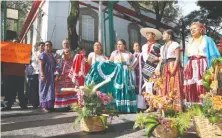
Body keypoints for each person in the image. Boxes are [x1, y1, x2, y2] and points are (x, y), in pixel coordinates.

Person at [86, 39, 137, 113]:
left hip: (126, 73)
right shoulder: (114, 53)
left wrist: (132, 68)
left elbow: (136, 60)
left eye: (120, 44)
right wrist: (99, 65)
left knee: (126, 89)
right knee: (117, 89)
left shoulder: (129, 54)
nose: (118, 46)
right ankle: (117, 107)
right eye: (118, 44)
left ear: (124, 45)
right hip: (117, 74)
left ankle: (127, 107)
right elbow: (109, 63)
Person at [183, 22, 221, 104]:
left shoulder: (207, 39)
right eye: (190, 29)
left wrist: (213, 68)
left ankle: (205, 104)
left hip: (202, 64)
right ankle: (192, 105)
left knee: (204, 83)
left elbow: (213, 54)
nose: (192, 31)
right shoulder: (189, 42)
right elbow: (186, 56)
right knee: (191, 85)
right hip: (191, 65)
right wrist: (185, 66)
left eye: (194, 28)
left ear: (201, 30)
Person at [157, 29, 183, 111]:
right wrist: (158, 68)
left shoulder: (175, 44)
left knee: (174, 84)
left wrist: (174, 68)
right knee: (164, 85)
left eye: (164, 33)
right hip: (164, 66)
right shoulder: (162, 47)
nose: (163, 35)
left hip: (172, 65)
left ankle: (176, 107)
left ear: (169, 35)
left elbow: (177, 58)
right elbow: (161, 59)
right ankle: (165, 107)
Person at [2, 39, 28, 111]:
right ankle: (7, 105)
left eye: (17, 43)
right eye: (14, 43)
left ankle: (23, 104)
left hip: (19, 74)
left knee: (20, 91)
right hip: (8, 74)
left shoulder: (22, 52)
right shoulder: (5, 51)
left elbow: (27, 62)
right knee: (8, 91)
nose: (15, 44)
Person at [140, 27, 162, 112]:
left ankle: (159, 106)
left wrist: (158, 68)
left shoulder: (158, 46)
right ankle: (151, 105)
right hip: (147, 67)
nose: (147, 35)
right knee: (148, 87)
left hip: (156, 67)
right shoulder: (144, 46)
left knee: (157, 86)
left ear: (153, 35)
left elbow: (160, 57)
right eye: (146, 34)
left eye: (149, 34)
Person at [26, 42, 45, 108]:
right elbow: (30, 62)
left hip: (42, 73)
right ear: (39, 46)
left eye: (43, 46)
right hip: (34, 73)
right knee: (34, 88)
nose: (42, 47)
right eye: (41, 45)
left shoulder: (46, 54)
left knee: (41, 88)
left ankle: (41, 102)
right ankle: (34, 103)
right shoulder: (35, 53)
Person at [39, 41, 56, 112]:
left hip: (51, 75)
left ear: (51, 47)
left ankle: (50, 106)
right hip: (45, 75)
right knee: (44, 90)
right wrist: (42, 74)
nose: (48, 46)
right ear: (44, 46)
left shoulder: (51, 55)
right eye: (46, 45)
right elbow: (41, 65)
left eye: (49, 45)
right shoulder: (43, 54)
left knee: (50, 90)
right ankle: (44, 107)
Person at [131, 42, 146, 111]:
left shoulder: (143, 54)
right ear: (133, 48)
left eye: (138, 45)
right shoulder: (132, 55)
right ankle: (135, 105)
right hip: (134, 74)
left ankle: (142, 106)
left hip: (141, 74)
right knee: (135, 88)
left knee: (142, 88)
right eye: (136, 46)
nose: (137, 47)